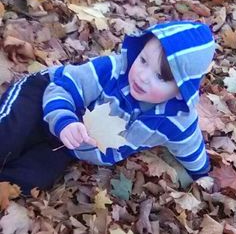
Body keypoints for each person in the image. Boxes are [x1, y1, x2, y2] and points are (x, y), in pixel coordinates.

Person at [0, 21, 216, 195]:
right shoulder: (112, 70)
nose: (142, 76)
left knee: (34, 178)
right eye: (142, 61)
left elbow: (190, 147)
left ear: (181, 90)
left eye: (159, 76)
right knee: (9, 134)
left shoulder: (177, 120)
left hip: (70, 143)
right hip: (45, 96)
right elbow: (64, 86)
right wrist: (65, 120)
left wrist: (202, 174)